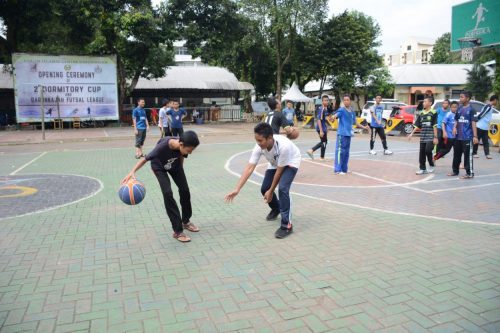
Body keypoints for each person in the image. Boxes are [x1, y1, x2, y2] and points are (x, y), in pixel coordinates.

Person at [225, 122, 301, 239]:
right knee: (264, 188)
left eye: (260, 140)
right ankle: (276, 208)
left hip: (291, 161)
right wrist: (237, 189)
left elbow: (279, 172)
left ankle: (287, 225)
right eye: (257, 140)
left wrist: (271, 191)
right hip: (275, 162)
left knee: (283, 188)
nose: (258, 143)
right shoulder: (259, 147)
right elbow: (250, 168)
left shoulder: (284, 146)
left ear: (270, 138)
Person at [121, 131, 200, 242]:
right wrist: (132, 172)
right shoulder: (162, 147)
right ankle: (177, 231)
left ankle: (185, 221)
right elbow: (145, 159)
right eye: (189, 150)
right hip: (159, 167)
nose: (190, 153)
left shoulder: (184, 144)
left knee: (184, 189)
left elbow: (182, 155)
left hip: (174, 164)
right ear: (181, 144)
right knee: (167, 193)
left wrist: (180, 171)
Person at [329, 94, 370, 174]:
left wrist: (364, 127)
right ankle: (337, 170)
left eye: (347, 100)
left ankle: (344, 169)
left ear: (350, 101)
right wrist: (333, 117)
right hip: (342, 134)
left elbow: (355, 123)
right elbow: (336, 115)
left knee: (346, 152)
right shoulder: (341, 110)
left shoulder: (352, 111)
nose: (346, 101)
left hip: (348, 134)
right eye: (344, 100)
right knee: (340, 152)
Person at [450, 91, 478, 179]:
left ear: (467, 98)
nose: (460, 99)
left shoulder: (471, 110)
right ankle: (455, 171)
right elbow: (457, 120)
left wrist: (475, 136)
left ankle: (469, 173)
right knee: (456, 155)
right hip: (458, 137)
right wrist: (454, 128)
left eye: (462, 97)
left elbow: (473, 123)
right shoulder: (459, 108)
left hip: (467, 137)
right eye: (460, 97)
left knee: (467, 156)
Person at [408, 97, 438, 175]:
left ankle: (431, 164)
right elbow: (417, 125)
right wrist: (411, 133)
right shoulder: (421, 113)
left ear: (430, 103)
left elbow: (435, 126)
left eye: (425, 101)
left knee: (428, 150)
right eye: (423, 101)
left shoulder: (434, 112)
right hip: (423, 137)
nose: (423, 103)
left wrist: (435, 137)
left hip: (430, 136)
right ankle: (422, 168)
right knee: (422, 153)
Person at [307, 95, 331, 160]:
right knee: (324, 142)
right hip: (321, 128)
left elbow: (325, 119)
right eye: (325, 100)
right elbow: (318, 120)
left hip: (324, 128)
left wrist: (328, 126)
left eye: (327, 100)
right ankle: (312, 150)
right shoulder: (321, 109)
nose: (326, 102)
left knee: (324, 142)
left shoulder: (326, 109)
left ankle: (321, 156)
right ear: (322, 101)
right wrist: (321, 130)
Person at [473, 95, 497, 159]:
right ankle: (474, 153)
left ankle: (487, 154)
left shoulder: (490, 106)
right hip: (480, 126)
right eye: (496, 100)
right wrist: (476, 120)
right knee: (477, 140)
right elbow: (482, 114)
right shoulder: (488, 106)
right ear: (494, 100)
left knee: (485, 141)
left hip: (485, 127)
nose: (497, 102)